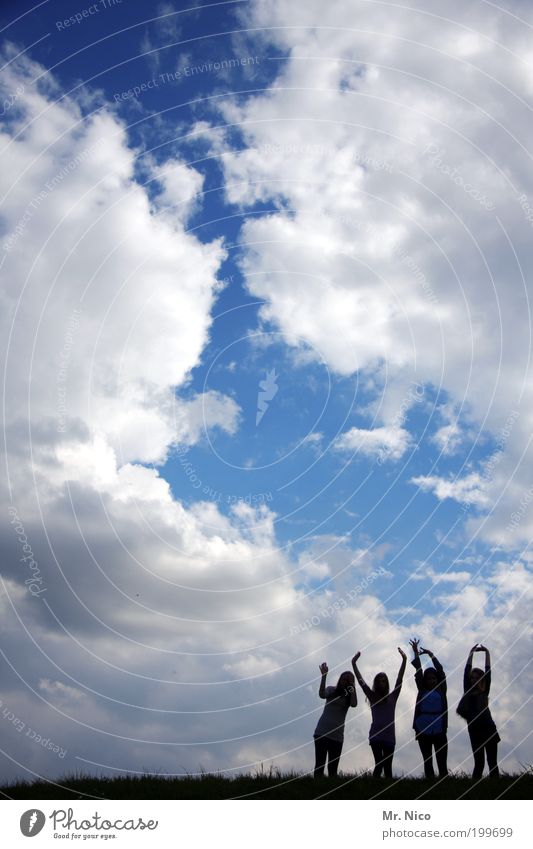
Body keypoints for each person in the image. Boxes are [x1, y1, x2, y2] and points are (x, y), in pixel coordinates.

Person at [352, 648, 407, 778]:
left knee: (388, 767)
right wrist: (354, 664)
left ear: (387, 683)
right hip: (376, 736)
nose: (381, 683)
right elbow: (361, 682)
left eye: (384, 681)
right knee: (380, 763)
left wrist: (404, 660)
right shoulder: (372, 696)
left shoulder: (393, 697)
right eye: (379, 681)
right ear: (376, 683)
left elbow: (400, 678)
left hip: (389, 737)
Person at [458, 644, 500, 779]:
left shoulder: (484, 692)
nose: (474, 680)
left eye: (477, 678)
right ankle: (475, 788)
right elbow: (466, 671)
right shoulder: (467, 692)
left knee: (492, 762)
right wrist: (471, 653)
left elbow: (488, 672)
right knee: (479, 763)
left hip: (489, 729)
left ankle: (496, 786)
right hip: (475, 731)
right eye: (472, 678)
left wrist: (487, 652)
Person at [409, 638, 448, 779]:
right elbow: (418, 670)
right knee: (428, 760)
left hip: (439, 727)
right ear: (425, 680)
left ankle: (444, 781)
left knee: (441, 759)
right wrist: (416, 653)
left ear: (437, 679)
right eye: (428, 678)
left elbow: (441, 670)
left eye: (433, 678)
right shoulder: (422, 689)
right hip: (423, 726)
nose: (431, 680)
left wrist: (431, 655)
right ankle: (429, 782)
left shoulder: (441, 690)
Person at [313, 661, 357, 777]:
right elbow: (322, 694)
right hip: (322, 732)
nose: (345, 681)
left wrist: (352, 687)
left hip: (337, 736)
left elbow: (354, 704)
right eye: (344, 679)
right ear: (340, 679)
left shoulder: (349, 697)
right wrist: (324, 676)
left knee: (333, 769)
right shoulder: (331, 690)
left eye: (349, 680)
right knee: (319, 766)